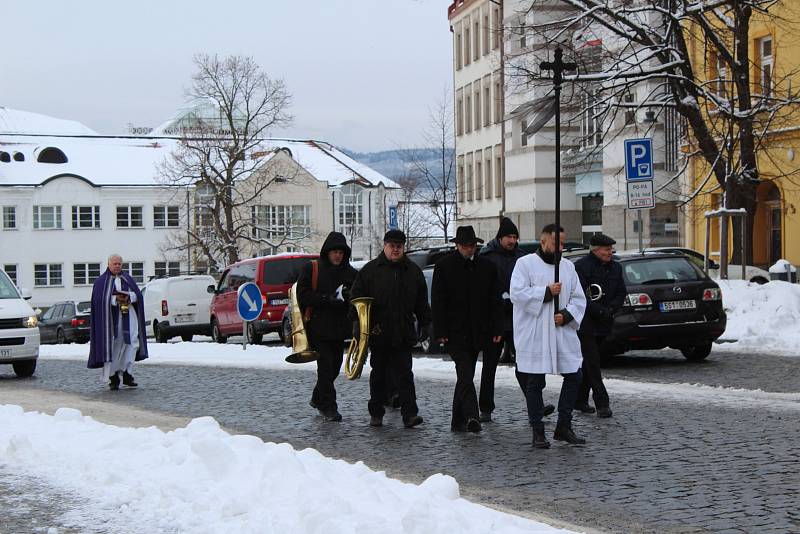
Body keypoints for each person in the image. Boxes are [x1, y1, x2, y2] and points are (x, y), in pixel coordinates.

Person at [510, 224, 587, 448]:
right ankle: (538, 430)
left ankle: (564, 425)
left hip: (561, 330)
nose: (561, 248)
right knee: (534, 381)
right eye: (556, 243)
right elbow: (517, 293)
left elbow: (578, 297)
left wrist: (566, 314)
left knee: (574, 375)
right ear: (543, 242)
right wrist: (545, 292)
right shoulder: (524, 264)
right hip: (535, 331)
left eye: (563, 243)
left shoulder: (568, 267)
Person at [349, 229, 431, 429]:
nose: (396, 250)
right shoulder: (369, 271)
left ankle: (410, 415)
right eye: (392, 246)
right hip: (378, 333)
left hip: (403, 332)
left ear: (403, 247)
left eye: (399, 246)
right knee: (378, 375)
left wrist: (426, 323)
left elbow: (421, 302)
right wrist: (359, 327)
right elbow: (356, 301)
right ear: (384, 246)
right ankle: (376, 413)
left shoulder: (413, 271)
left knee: (405, 375)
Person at [478, 217, 555, 422]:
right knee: (490, 366)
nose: (512, 241)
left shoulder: (522, 258)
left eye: (515, 237)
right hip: (495, 319)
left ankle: (535, 404)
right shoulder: (487, 257)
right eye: (509, 237)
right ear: (500, 238)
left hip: (519, 318)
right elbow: (484, 289)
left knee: (526, 363)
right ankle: (485, 407)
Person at [432, 226, 503, 433]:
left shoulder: (486, 267)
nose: (470, 249)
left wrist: (497, 326)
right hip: (454, 332)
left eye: (472, 245)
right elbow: (438, 301)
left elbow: (495, 300)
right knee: (464, 373)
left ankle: (457, 420)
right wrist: (440, 331)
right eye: (466, 246)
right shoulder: (444, 266)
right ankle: (472, 415)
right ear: (457, 245)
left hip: (478, 331)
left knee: (466, 374)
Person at [297, 231, 358, 422]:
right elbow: (303, 295)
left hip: (339, 330)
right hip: (318, 328)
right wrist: (327, 299)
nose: (338, 255)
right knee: (326, 367)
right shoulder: (312, 268)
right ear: (327, 252)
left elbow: (357, 297)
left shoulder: (351, 273)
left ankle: (317, 397)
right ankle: (329, 406)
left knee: (334, 367)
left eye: (341, 252)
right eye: (334, 252)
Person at [573, 234, 626, 418]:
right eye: (606, 249)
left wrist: (611, 310)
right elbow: (580, 296)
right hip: (586, 323)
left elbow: (621, 292)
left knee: (591, 363)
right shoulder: (581, 266)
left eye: (611, 249)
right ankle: (602, 403)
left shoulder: (616, 267)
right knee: (593, 362)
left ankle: (579, 400)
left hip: (605, 322)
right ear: (595, 250)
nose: (610, 252)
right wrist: (600, 311)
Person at [87, 254, 148, 390]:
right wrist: (115, 299)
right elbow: (99, 300)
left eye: (119, 264)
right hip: (111, 318)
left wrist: (129, 297)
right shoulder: (101, 282)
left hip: (129, 314)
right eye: (114, 264)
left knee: (133, 342)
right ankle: (113, 376)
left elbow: (138, 295)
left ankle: (127, 373)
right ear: (108, 264)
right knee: (114, 345)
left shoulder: (127, 279)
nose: (117, 266)